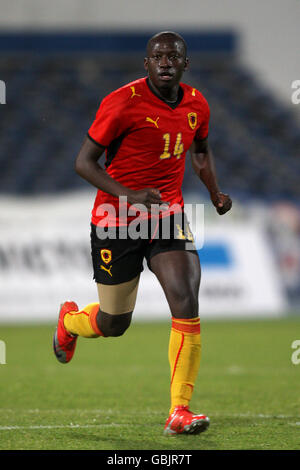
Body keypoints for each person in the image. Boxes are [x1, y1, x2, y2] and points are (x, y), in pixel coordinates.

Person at [53, 31, 232, 435]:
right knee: (114, 322)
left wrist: (214, 191)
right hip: (117, 220)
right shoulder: (122, 103)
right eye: (158, 56)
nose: (165, 61)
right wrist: (130, 195)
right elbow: (84, 162)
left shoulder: (197, 104)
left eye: (173, 56)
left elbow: (200, 150)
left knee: (186, 298)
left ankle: (180, 410)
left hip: (167, 214)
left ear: (185, 64)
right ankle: (70, 323)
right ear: (146, 64)